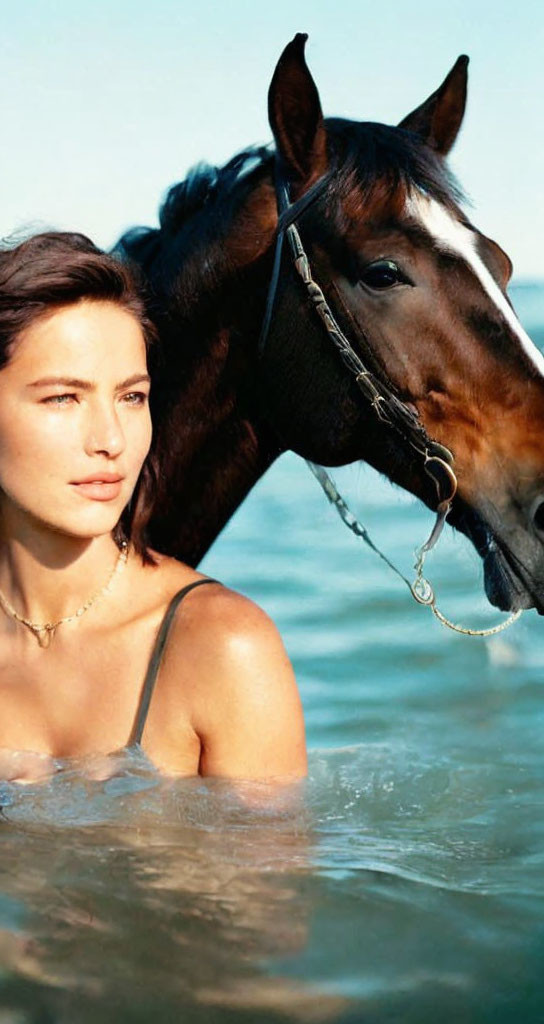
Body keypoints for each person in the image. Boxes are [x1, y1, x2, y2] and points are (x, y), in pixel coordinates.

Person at [0, 231, 307, 783]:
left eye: (131, 397)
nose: (110, 439)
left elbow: (272, 871)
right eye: (63, 398)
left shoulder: (223, 648)